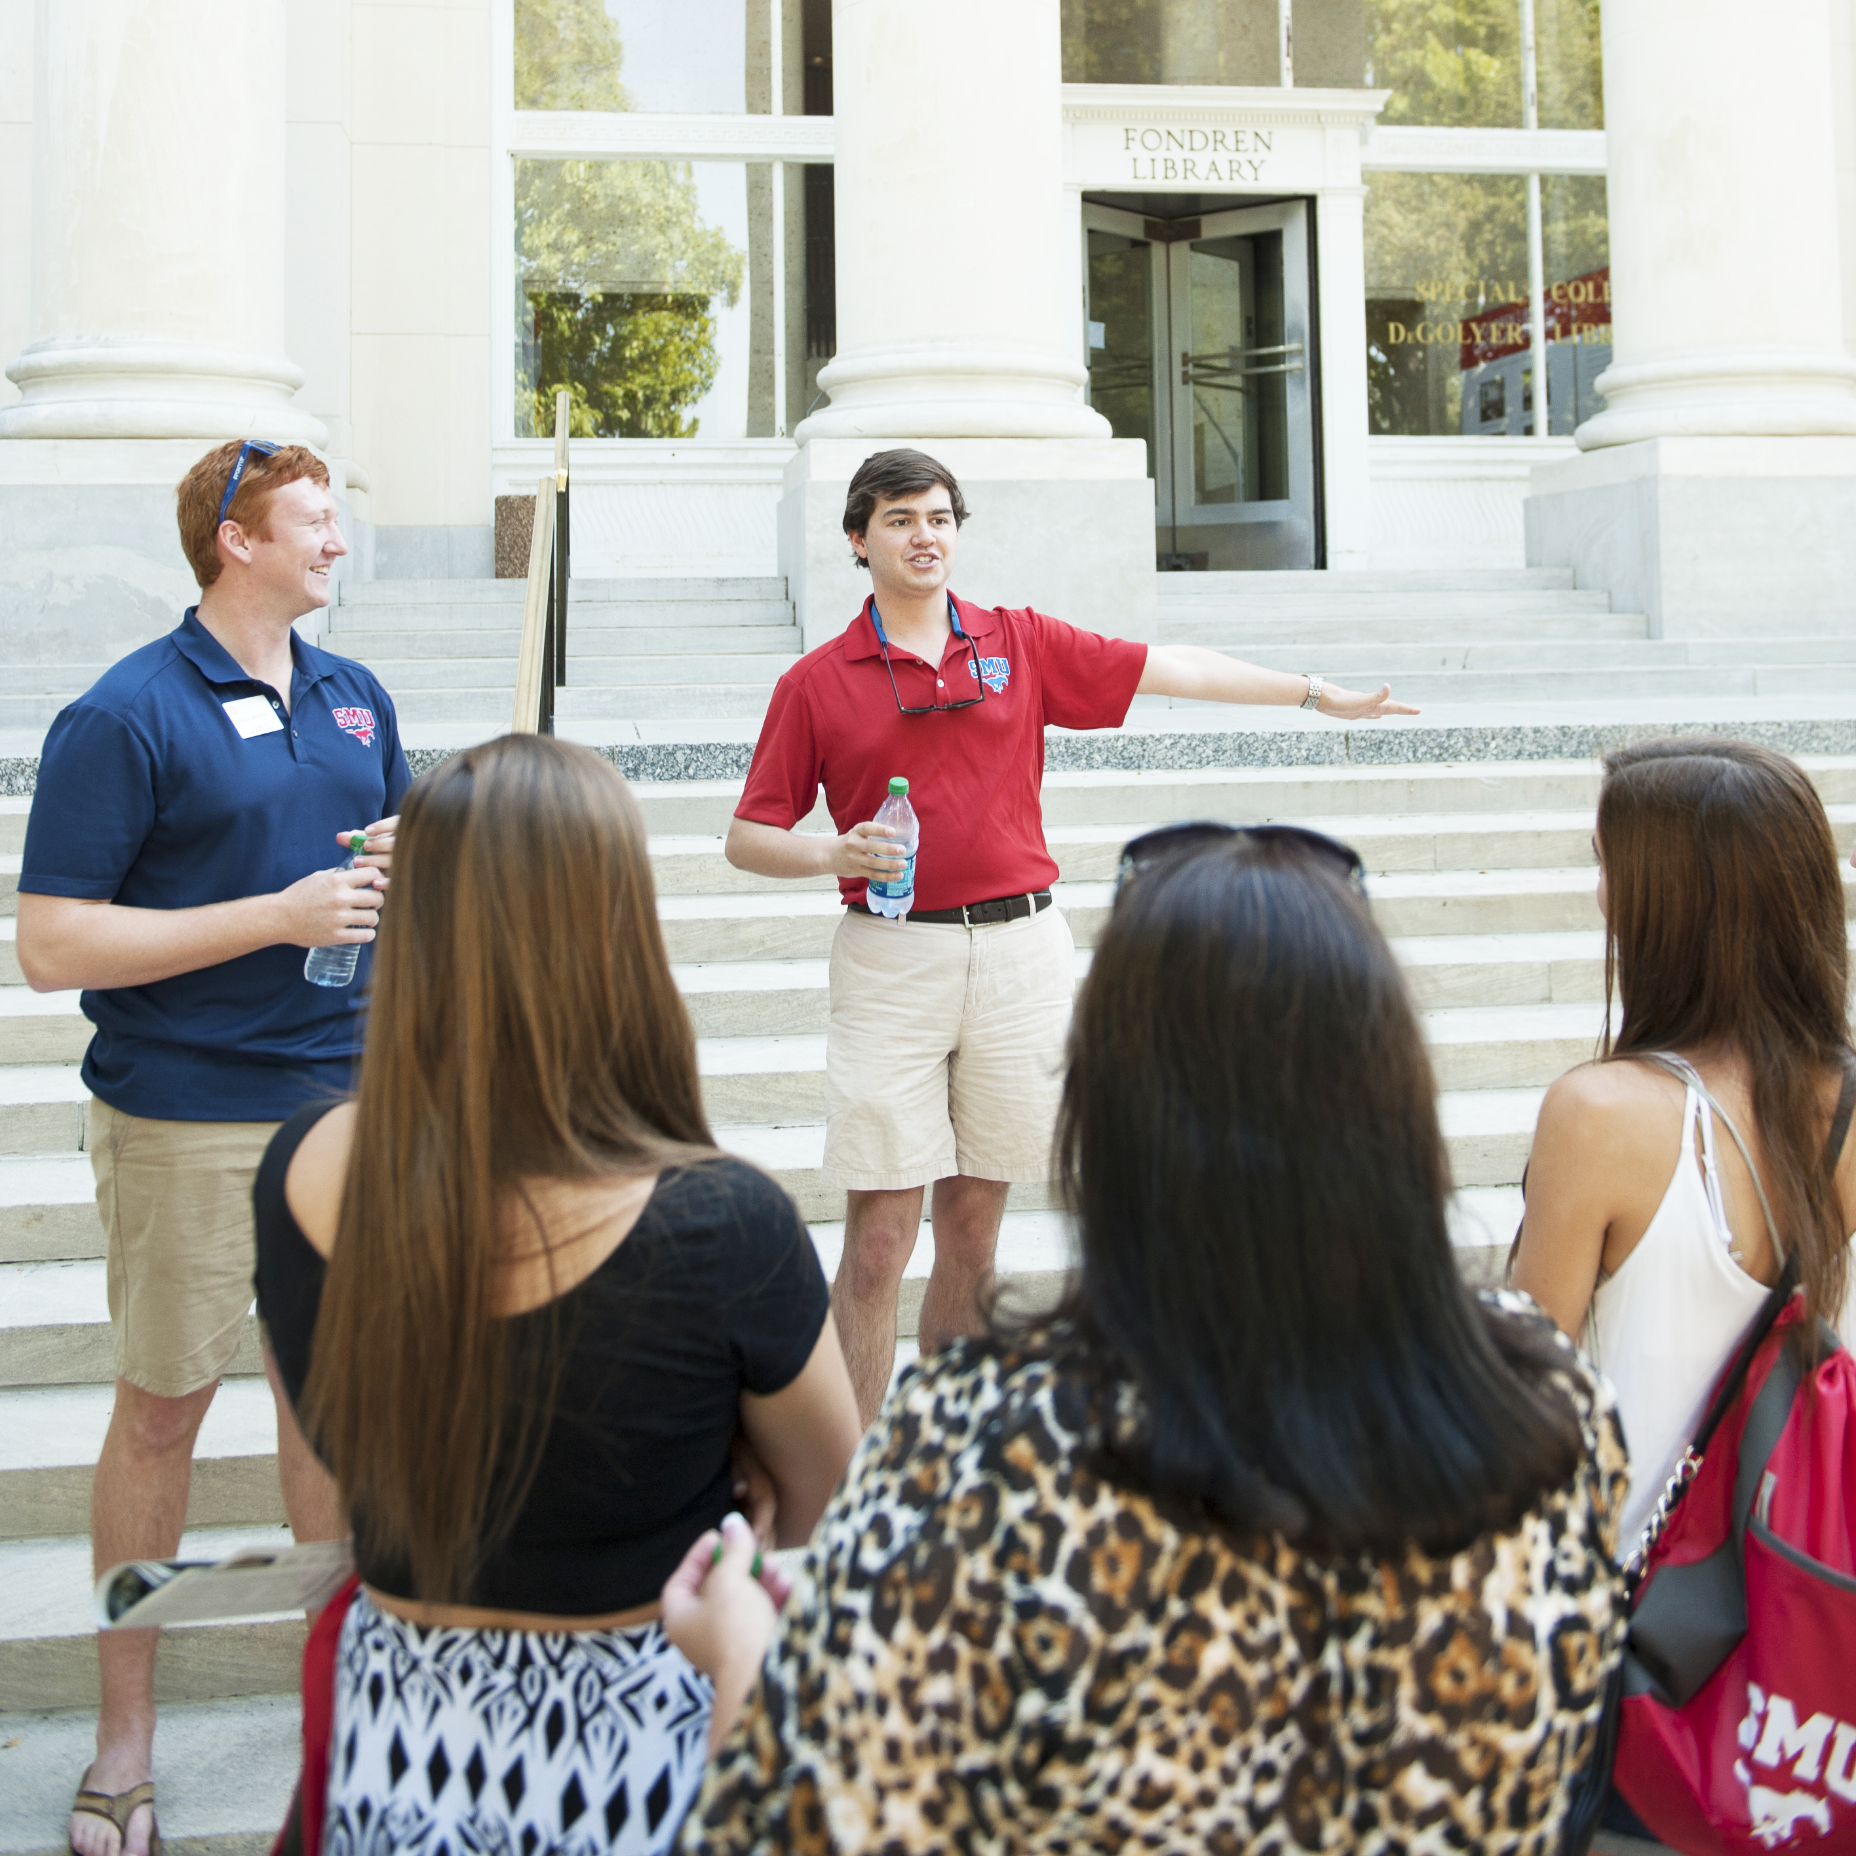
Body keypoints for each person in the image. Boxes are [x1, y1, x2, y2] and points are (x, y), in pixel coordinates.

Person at [662, 822, 1630, 1853]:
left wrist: (746, 1651)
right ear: (1391, 1096)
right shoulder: (1552, 1408)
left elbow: (792, 1827)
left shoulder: (975, 1445)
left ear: (1105, 1108)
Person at [255, 735, 864, 1856]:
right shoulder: (722, 1223)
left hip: (390, 1727)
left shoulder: (298, 1166)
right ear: (616, 923)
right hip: (637, 1733)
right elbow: (824, 1497)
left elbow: (324, 1431)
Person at [727, 447, 1420, 1420]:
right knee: (878, 1237)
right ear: (857, 537)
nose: (923, 535)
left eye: (938, 517)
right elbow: (747, 836)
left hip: (1019, 955)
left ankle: (948, 1449)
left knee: (973, 1228)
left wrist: (1312, 692)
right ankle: (844, 1479)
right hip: (891, 958)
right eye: (898, 519)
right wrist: (831, 852)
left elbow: (1169, 666)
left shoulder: (1017, 638)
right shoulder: (816, 680)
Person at [15, 440, 406, 1856]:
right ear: (234, 542)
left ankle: (337, 1724)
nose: (339, 543)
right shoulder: (123, 715)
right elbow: (52, 944)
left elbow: (384, 872)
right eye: (315, 522)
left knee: (326, 1416)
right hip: (180, 1112)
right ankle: (127, 1738)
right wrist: (274, 918)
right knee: (165, 1410)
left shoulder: (357, 699)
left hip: (344, 1108)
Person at [1512, 737, 1856, 1555]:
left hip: (1634, 1622)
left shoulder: (1599, 1114)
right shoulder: (1842, 1103)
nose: (1600, 895)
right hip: (1793, 1596)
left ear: (1664, 900)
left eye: (1607, 866)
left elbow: (1520, 1401)